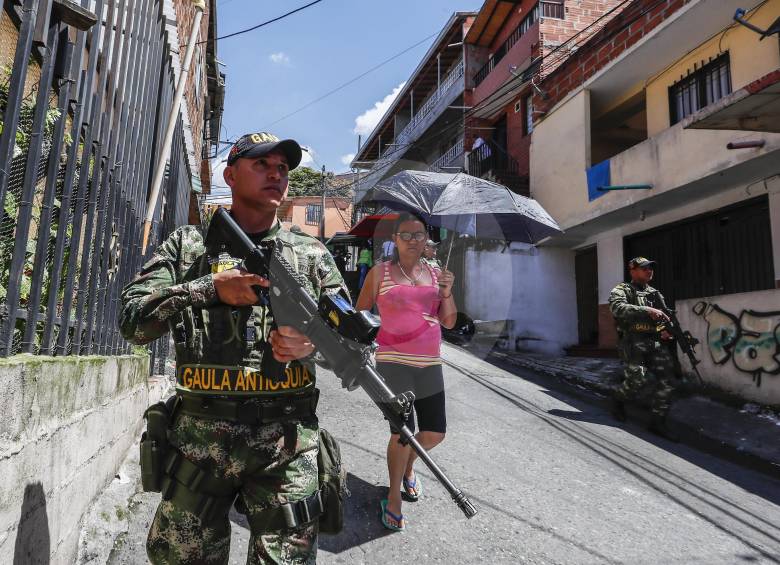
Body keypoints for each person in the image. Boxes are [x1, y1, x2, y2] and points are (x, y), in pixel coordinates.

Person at [119, 132, 348, 563]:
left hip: (287, 446)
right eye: (262, 164)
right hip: (199, 444)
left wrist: (312, 343)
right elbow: (132, 322)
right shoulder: (188, 247)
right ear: (230, 175)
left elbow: (352, 347)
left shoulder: (312, 255)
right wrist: (209, 289)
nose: (276, 174)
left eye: (283, 168)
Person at [355, 212, 457, 531]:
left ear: (426, 240)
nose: (413, 240)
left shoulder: (437, 274)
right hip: (392, 361)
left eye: (419, 235)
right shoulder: (379, 273)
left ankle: (409, 467)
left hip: (430, 363)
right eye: (406, 235)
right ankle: (393, 496)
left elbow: (449, 321)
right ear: (395, 240)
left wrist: (447, 292)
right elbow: (359, 313)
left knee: (435, 432)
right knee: (402, 432)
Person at [608, 257, 679, 441]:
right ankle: (618, 399)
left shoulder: (655, 293)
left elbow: (663, 317)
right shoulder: (622, 289)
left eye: (650, 268)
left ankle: (657, 422)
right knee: (637, 379)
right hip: (633, 342)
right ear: (633, 271)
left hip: (654, 342)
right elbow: (617, 308)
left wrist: (665, 331)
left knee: (668, 381)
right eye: (644, 268)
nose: (649, 271)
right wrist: (647, 310)